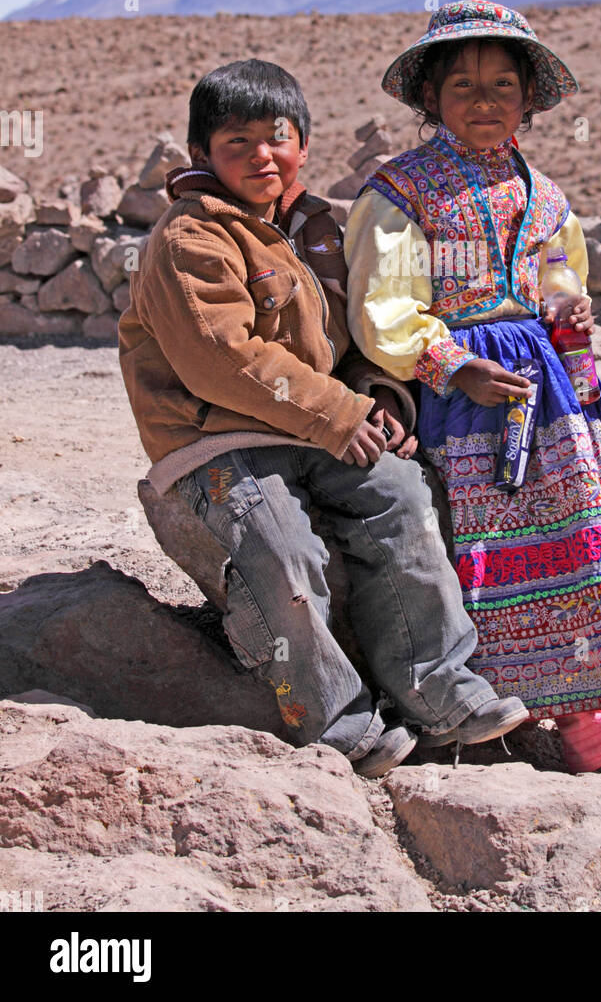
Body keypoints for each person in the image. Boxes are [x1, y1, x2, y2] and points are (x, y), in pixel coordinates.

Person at [344, 0, 601, 795]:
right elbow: (384, 307)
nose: (485, 100)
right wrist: (452, 366)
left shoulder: (545, 194)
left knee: (590, 538)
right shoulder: (401, 192)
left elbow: (557, 272)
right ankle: (512, 724)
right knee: (490, 550)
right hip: (462, 399)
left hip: (549, 394)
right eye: (462, 85)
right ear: (429, 99)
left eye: (503, 84)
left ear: (528, 98)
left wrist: (566, 309)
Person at [117, 58, 527, 778]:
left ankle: (441, 692)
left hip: (319, 430)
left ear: (303, 145)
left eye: (276, 138)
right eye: (235, 141)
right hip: (216, 438)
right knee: (283, 553)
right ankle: (340, 724)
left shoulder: (316, 230)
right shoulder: (191, 240)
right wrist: (341, 411)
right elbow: (221, 358)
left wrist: (384, 399)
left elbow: (354, 340)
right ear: (200, 155)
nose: (260, 156)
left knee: (405, 499)